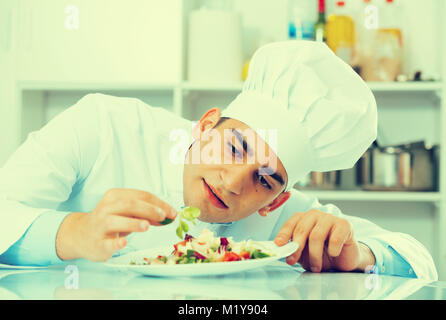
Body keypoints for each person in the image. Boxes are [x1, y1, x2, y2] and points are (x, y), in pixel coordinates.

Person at [0, 41, 437, 280]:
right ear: (205, 124)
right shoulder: (101, 126)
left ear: (276, 202)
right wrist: (73, 232)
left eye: (264, 180)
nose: (233, 182)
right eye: (235, 147)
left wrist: (358, 254)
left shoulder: (289, 223)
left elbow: (421, 259)